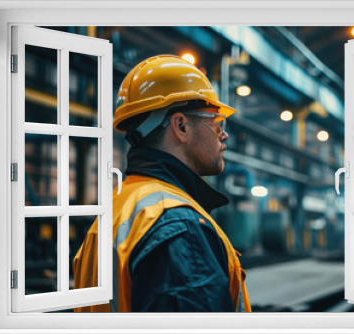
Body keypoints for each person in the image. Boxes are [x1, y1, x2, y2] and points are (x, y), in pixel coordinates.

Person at [73, 55, 251, 312]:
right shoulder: (179, 226)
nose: (224, 134)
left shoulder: (116, 209)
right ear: (181, 126)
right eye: (215, 121)